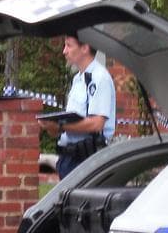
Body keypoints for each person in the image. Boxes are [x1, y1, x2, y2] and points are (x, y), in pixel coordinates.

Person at [39, 35, 115, 178]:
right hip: (69, 157)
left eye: (69, 45)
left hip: (87, 159)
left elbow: (97, 123)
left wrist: (60, 126)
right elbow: (72, 122)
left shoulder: (99, 77)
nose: (64, 51)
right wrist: (52, 127)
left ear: (85, 47)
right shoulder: (78, 79)